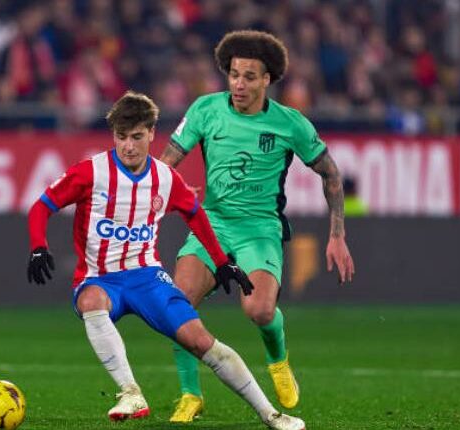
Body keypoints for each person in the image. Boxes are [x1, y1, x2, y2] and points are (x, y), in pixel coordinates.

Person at [26, 91, 306, 430]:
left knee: (202, 342)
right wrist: (38, 246)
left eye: (136, 137)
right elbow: (41, 207)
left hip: (147, 278)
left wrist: (221, 262)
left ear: (151, 133)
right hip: (100, 278)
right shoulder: (91, 172)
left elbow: (196, 215)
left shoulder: (165, 178)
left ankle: (271, 414)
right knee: (91, 302)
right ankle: (131, 393)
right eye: (121, 137)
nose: (128, 146)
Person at [159, 30, 355, 422]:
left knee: (260, 311)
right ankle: (190, 394)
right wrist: (168, 188)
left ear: (267, 79)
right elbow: (166, 163)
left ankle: (278, 360)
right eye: (234, 74)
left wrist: (337, 235)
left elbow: (331, 173)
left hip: (260, 228)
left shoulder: (290, 123)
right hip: (212, 224)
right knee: (176, 305)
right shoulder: (205, 110)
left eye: (249, 77)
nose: (239, 84)